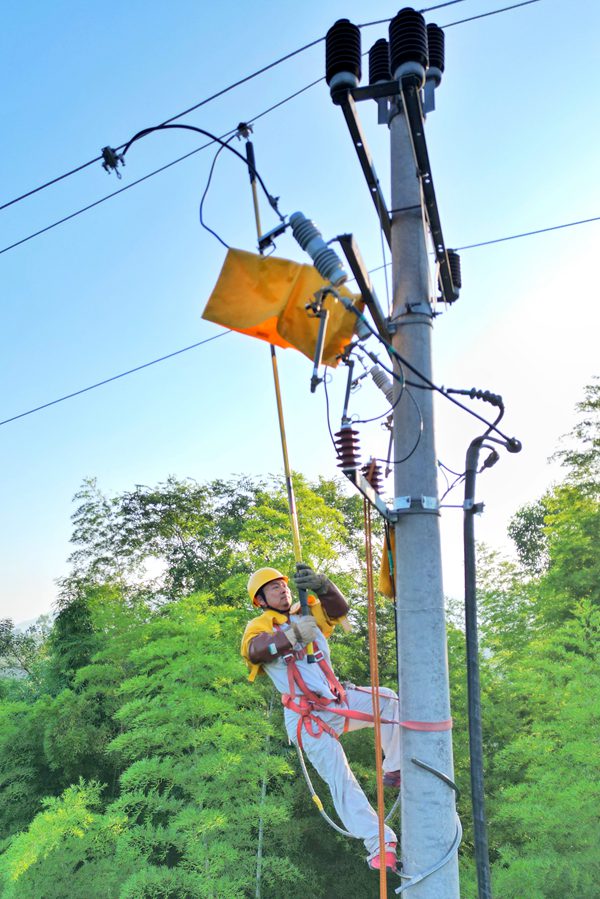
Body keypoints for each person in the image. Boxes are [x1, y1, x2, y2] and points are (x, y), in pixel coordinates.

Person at [240, 563, 401, 872]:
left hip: (334, 701)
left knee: (388, 700)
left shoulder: (306, 613)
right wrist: (292, 635)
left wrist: (323, 585)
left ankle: (394, 768)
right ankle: (380, 843)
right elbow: (255, 651)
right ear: (260, 599)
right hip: (305, 718)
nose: (282, 590)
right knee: (342, 780)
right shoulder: (259, 626)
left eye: (283, 585)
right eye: (273, 588)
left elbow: (339, 610)